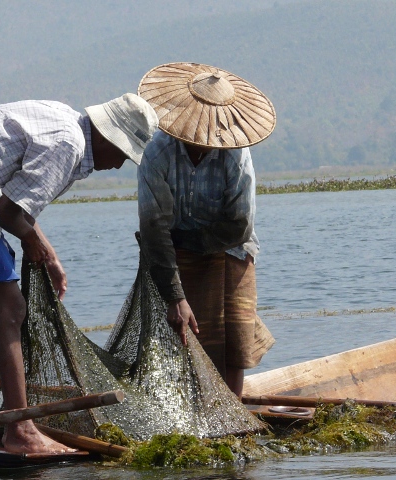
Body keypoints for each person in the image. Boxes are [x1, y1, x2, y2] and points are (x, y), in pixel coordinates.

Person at [0, 93, 158, 453]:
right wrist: (36, 244)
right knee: (11, 309)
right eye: (124, 154)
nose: (120, 165)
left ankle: (12, 410)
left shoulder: (67, 125)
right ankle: (19, 428)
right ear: (109, 137)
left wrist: (47, 254)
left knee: (6, 308)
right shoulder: (67, 145)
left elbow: (19, 209)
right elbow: (8, 212)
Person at [137, 63, 276, 398]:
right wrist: (175, 295)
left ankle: (233, 406)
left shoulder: (235, 154)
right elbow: (154, 228)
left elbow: (240, 224)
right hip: (172, 248)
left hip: (230, 245)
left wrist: (191, 241)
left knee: (234, 334)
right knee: (181, 332)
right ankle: (190, 404)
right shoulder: (157, 152)